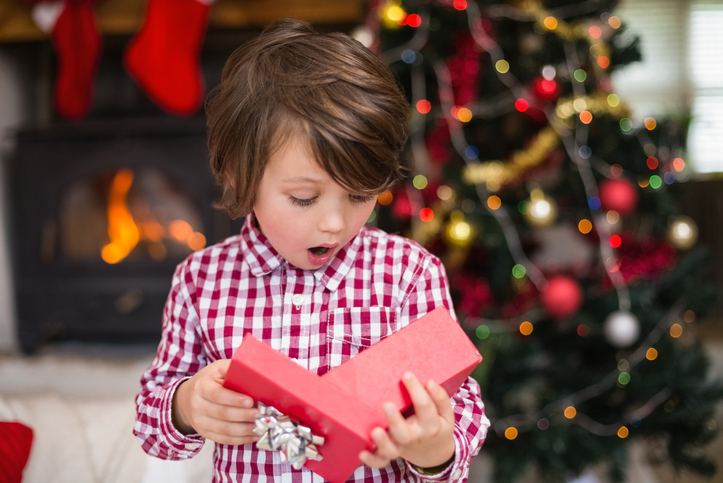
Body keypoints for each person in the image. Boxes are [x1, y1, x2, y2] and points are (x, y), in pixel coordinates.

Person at [134, 17, 489, 482]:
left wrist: (435, 448)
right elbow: (150, 420)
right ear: (241, 178)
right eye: (304, 198)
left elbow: (462, 407)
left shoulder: (408, 273)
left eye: (360, 195)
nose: (335, 223)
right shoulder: (201, 281)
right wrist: (187, 405)